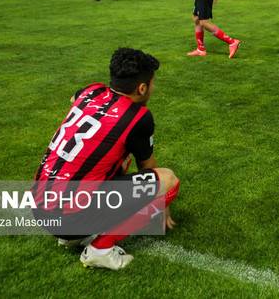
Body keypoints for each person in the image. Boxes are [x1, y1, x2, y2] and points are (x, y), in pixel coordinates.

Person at [34, 48, 179, 270]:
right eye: (152, 83)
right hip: (70, 218)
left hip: (39, 205)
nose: (153, 88)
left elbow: (74, 99)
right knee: (168, 180)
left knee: (118, 160)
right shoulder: (139, 117)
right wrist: (163, 202)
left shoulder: (90, 91)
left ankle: (71, 236)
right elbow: (148, 168)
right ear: (142, 88)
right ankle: (100, 249)